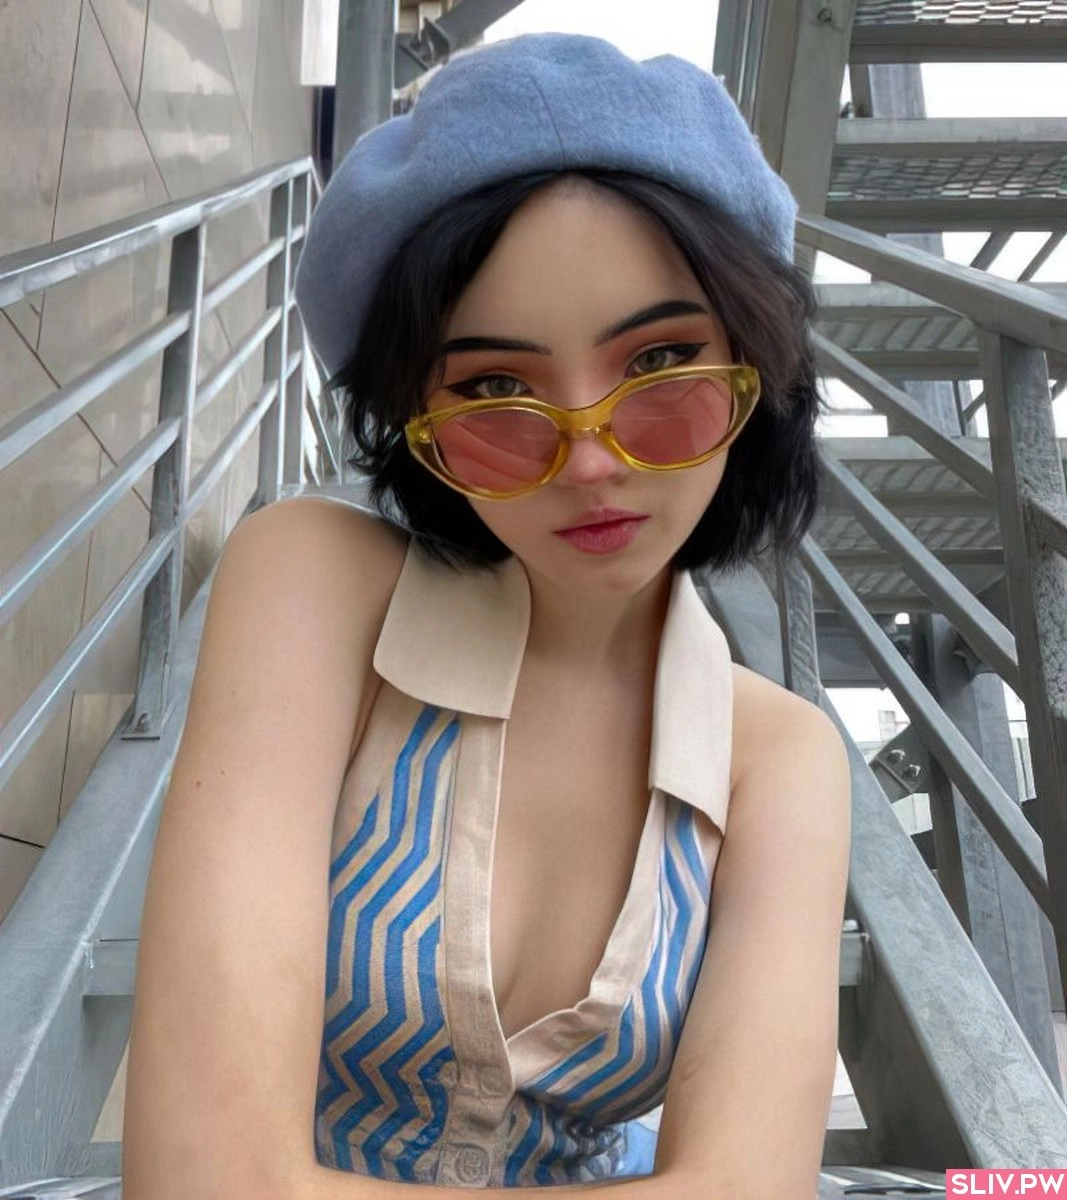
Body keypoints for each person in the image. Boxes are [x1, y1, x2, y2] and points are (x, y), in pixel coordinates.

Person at [122, 32, 851, 1200]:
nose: (590, 458)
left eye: (658, 363)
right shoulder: (311, 584)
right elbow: (205, 1182)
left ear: (750, 368)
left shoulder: (779, 758)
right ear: (416, 419)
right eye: (496, 390)